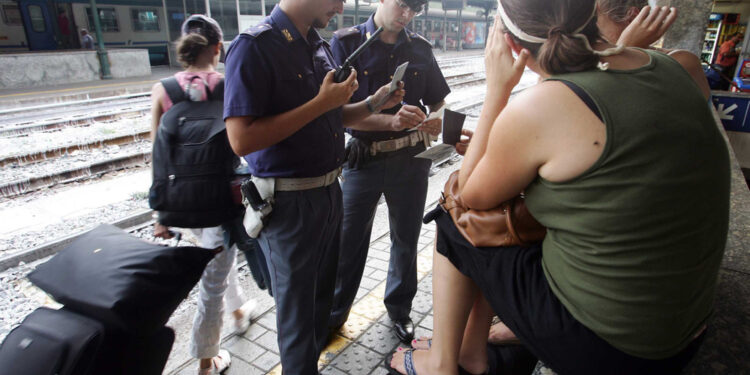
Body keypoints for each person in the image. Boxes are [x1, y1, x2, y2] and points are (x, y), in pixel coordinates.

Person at [387, 0, 730, 373]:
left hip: (611, 348)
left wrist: (498, 90)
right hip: (685, 330)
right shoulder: (672, 65)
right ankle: (472, 348)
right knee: (508, 213)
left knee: (453, 216)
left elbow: (469, 196)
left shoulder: (545, 104)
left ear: (511, 46)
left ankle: (442, 364)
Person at [222, 0, 405, 372]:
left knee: (321, 306)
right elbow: (240, 139)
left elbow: (334, 115)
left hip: (329, 193)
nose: (340, 7)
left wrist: (374, 101)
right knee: (297, 319)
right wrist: (321, 102)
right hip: (288, 204)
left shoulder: (316, 44)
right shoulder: (254, 46)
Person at [327, 0, 449, 344]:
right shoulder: (346, 43)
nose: (407, 14)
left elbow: (439, 98)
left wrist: (440, 117)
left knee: (406, 239)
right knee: (348, 242)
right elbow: (334, 112)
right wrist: (388, 119)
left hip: (412, 160)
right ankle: (335, 315)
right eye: (402, 4)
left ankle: (399, 310)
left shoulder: (421, 48)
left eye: (416, 9)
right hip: (362, 161)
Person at [149, 15, 258, 375]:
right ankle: (206, 361)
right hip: (218, 201)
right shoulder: (227, 86)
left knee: (216, 264)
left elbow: (158, 154)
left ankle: (240, 310)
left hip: (180, 201)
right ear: (217, 48)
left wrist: (159, 215)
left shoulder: (163, 89)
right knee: (212, 280)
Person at [596, 1, 711, 99]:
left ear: (633, 19)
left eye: (596, 31)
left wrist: (625, 50)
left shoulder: (680, 61)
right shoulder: (599, 60)